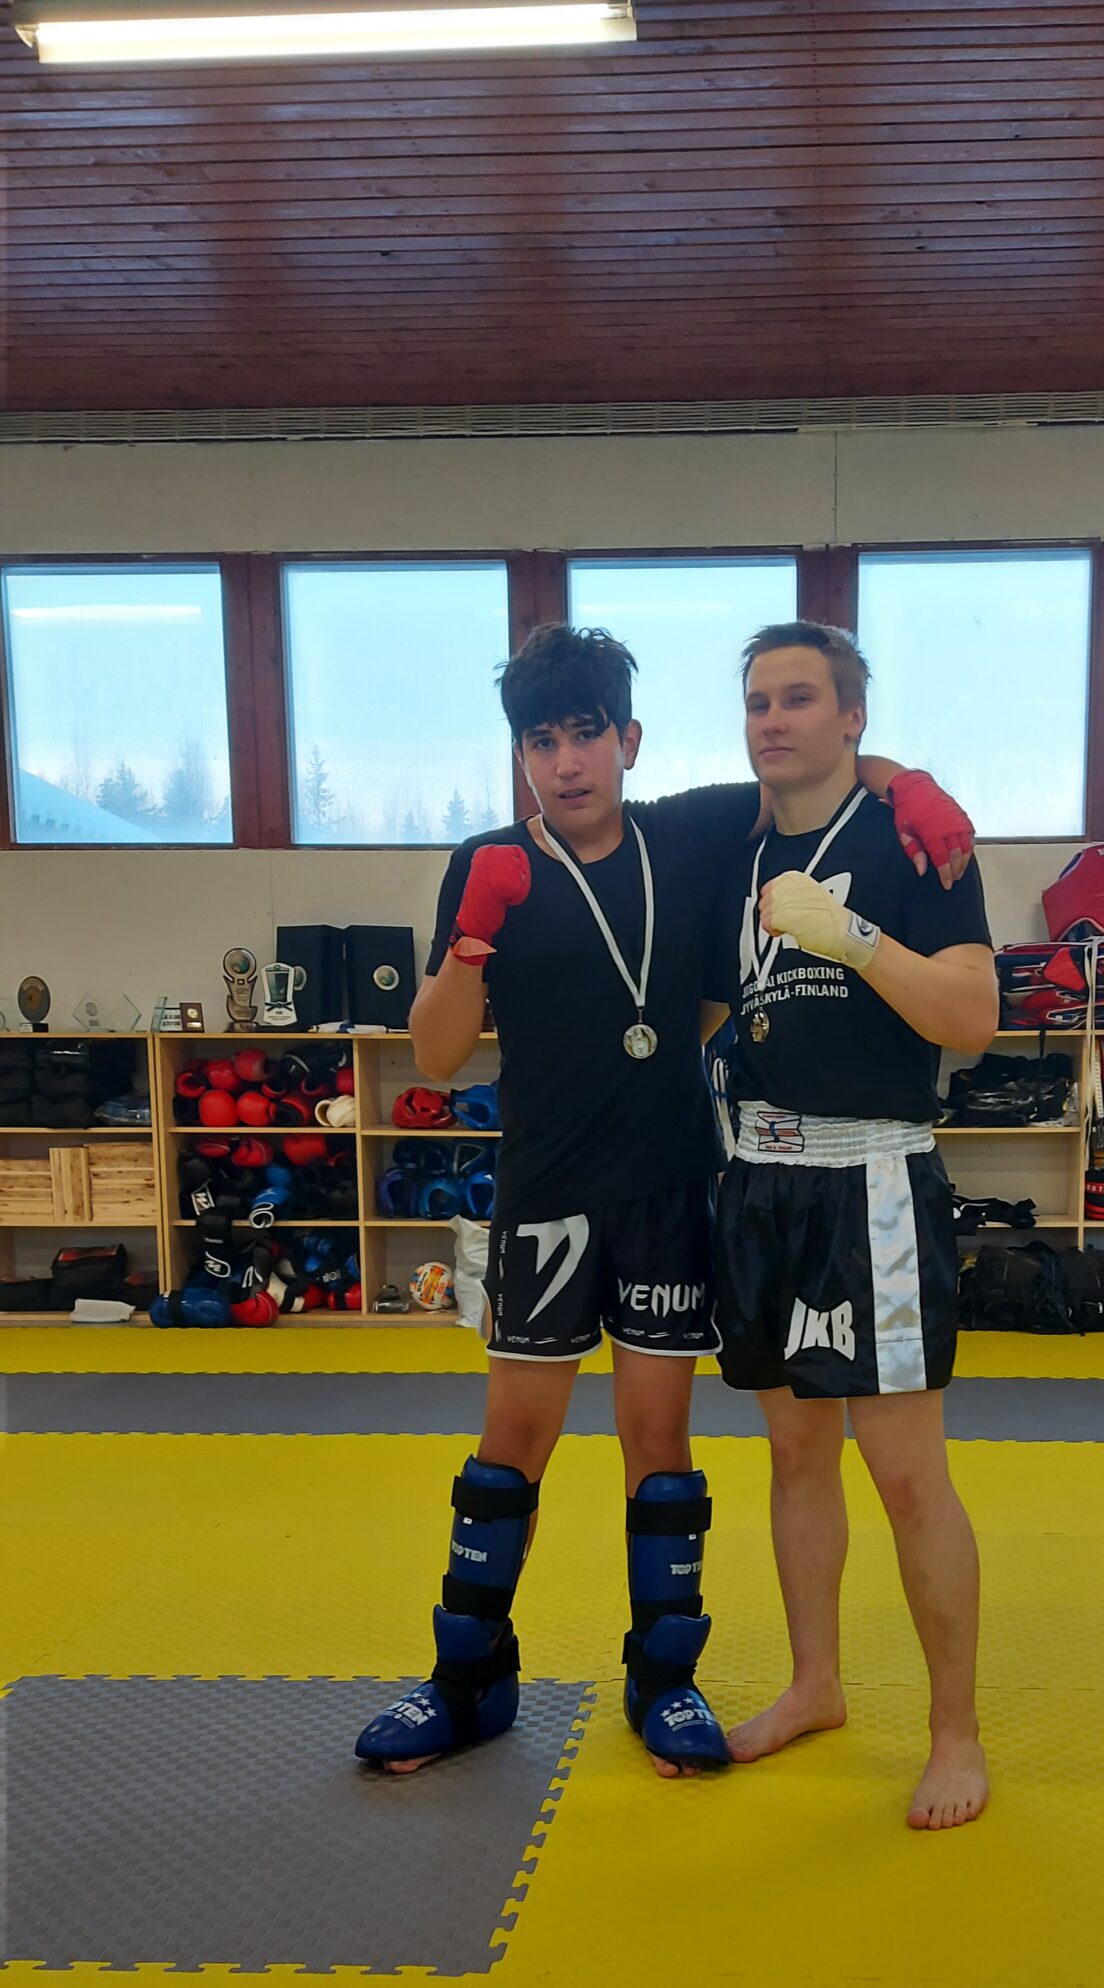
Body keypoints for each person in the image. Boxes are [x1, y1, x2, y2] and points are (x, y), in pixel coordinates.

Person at [353, 623, 974, 1783]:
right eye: (540, 741)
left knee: (658, 1443)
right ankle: (466, 1681)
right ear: (519, 754)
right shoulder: (488, 860)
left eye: (585, 733)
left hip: (671, 1186)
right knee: (509, 1447)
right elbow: (434, 1055)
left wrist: (916, 784)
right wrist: (471, 938)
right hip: (542, 1192)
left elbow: (815, 769)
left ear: (627, 739)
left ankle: (662, 1679)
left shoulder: (685, 834)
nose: (565, 761)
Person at [705, 621, 998, 1830]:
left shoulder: (910, 837)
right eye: (757, 701)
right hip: (756, 1184)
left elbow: (971, 1015)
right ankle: (814, 1683)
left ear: (850, 717)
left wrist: (855, 937)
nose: (772, 720)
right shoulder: (727, 841)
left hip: (870, 1183)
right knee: (793, 1455)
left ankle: (954, 1733)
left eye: (798, 698)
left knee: (906, 1475)